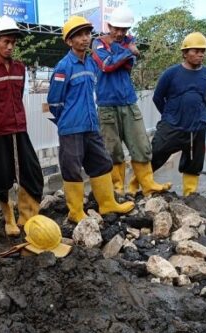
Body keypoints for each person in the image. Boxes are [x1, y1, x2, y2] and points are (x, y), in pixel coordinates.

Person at [47, 16, 135, 223]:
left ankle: (107, 203)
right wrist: (66, 120)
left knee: (102, 162)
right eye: (79, 35)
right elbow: (54, 101)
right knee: (72, 167)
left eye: (87, 34)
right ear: (69, 41)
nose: (85, 39)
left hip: (91, 125)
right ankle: (76, 211)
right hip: (71, 128)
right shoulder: (64, 66)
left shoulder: (90, 62)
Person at [91, 6, 171, 197]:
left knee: (141, 144)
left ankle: (147, 183)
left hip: (128, 100)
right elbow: (106, 65)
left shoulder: (129, 41)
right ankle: (117, 188)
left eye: (124, 30)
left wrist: (122, 54)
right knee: (113, 149)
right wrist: (128, 52)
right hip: (106, 104)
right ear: (109, 25)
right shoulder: (97, 43)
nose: (120, 33)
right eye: (116, 29)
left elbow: (126, 66)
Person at [0, 15, 43, 237]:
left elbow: (18, 96)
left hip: (19, 128)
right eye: (5, 41)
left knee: (30, 170)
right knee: (1, 175)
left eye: (13, 42)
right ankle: (9, 219)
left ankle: (29, 215)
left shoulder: (20, 68)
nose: (10, 46)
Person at [151, 32, 206, 196]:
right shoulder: (171, 73)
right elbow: (158, 97)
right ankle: (136, 187)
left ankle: (190, 195)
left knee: (194, 162)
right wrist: (170, 115)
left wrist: (198, 115)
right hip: (172, 124)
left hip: (197, 127)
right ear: (185, 52)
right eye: (196, 51)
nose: (200, 54)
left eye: (203, 51)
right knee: (156, 153)